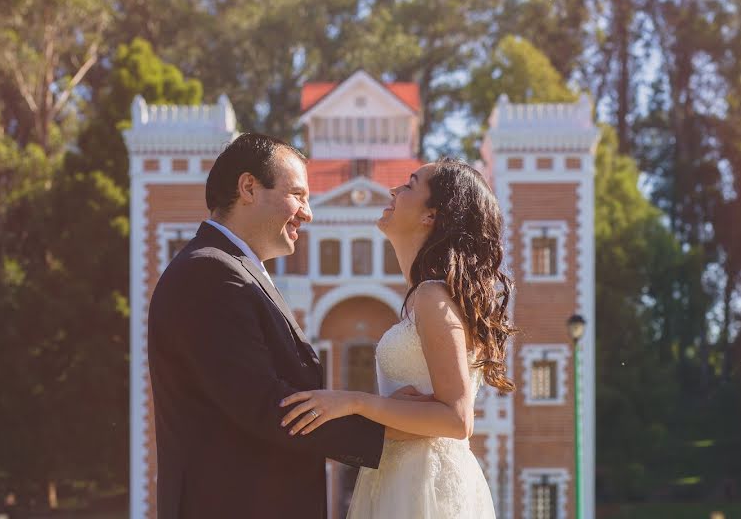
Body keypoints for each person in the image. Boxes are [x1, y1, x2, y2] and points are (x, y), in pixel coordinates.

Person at [147, 134, 386, 518]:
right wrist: (393, 434)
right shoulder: (210, 273)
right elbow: (267, 406)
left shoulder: (233, 270)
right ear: (248, 188)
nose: (308, 213)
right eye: (298, 194)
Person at [280, 159, 516, 518]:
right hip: (401, 475)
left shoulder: (432, 296)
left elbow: (457, 419)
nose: (393, 191)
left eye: (409, 185)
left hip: (424, 485)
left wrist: (356, 402)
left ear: (430, 216)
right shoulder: (425, 295)